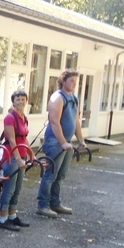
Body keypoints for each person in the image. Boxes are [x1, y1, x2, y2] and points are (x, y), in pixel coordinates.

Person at [37, 69, 87, 217]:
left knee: (61, 176)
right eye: (71, 80)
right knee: (50, 175)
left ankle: (55, 203)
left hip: (67, 143)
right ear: (63, 81)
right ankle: (43, 206)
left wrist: (81, 140)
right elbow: (54, 122)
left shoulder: (74, 98)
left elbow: (76, 121)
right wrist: (63, 142)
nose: (74, 83)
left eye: (76, 81)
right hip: (55, 142)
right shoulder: (57, 98)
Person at [0, 90, 31, 231]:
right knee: (9, 189)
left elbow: (24, 139)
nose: (21, 102)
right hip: (11, 158)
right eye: (18, 99)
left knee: (17, 189)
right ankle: (3, 219)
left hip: (21, 157)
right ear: (13, 101)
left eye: (23, 99)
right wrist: (18, 159)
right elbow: (12, 140)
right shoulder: (10, 118)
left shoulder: (24, 117)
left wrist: (32, 154)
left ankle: (12, 216)